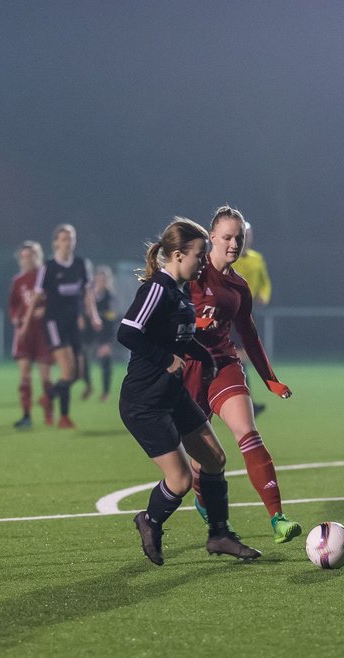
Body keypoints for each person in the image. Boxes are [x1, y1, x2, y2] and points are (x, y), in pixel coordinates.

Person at [118, 217, 261, 566]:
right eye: (198, 255)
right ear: (179, 255)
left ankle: (219, 534)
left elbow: (180, 335)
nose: (202, 261)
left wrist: (201, 355)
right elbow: (128, 332)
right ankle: (149, 520)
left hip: (173, 395)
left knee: (214, 459)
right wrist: (164, 357)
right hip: (145, 402)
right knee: (180, 480)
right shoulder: (157, 289)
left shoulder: (180, 291)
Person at [182, 205, 301, 544]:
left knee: (248, 432)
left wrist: (269, 378)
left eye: (239, 237)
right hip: (186, 371)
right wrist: (193, 325)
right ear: (212, 238)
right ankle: (204, 498)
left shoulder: (239, 287)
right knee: (200, 462)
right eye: (228, 237)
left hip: (222, 366)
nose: (234, 244)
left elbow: (249, 335)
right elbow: (161, 314)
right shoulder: (189, 273)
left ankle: (277, 517)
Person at [29, 224, 99, 429]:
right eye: (65, 238)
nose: (69, 242)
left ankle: (54, 403)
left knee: (75, 374)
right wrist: (27, 320)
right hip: (54, 323)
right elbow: (37, 296)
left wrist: (93, 316)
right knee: (68, 371)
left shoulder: (81, 264)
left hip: (73, 323)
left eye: (72, 238)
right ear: (56, 243)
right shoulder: (48, 267)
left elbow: (87, 293)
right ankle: (60, 412)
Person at [8, 241, 55, 427]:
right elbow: (12, 305)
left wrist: (45, 311)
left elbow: (56, 301)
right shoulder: (18, 281)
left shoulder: (47, 277)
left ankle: (49, 414)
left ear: (39, 256)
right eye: (24, 257)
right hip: (25, 332)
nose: (28, 260)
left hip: (43, 332)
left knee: (45, 377)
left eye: (32, 256)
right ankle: (26, 416)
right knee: (25, 376)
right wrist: (15, 319)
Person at [228, 220, 272, 417]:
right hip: (229, 314)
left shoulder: (257, 259)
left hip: (247, 314)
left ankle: (246, 404)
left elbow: (265, 283)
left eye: (248, 234)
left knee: (239, 360)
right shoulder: (228, 258)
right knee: (238, 358)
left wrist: (264, 295)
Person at [81, 264, 119, 402]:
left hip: (104, 332)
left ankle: (105, 392)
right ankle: (88, 385)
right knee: (83, 358)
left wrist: (107, 341)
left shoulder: (109, 296)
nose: (100, 282)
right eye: (98, 279)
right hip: (89, 332)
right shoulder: (88, 295)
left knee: (105, 360)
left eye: (103, 279)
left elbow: (111, 317)